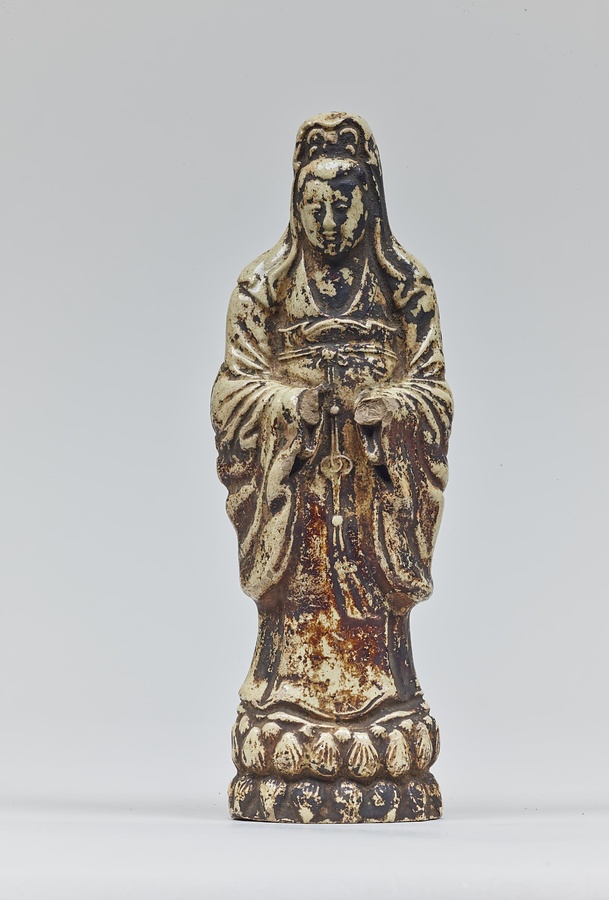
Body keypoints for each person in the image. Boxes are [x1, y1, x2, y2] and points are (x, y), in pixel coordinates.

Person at [211, 112, 452, 822]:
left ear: (371, 202)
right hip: (300, 490)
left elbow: (434, 392)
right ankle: (284, 708)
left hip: (373, 491)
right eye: (314, 205)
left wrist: (391, 411)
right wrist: (290, 408)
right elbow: (233, 392)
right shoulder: (262, 285)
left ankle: (383, 708)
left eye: (344, 203)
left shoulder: (406, 288)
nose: (329, 222)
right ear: (295, 203)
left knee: (377, 654)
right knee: (299, 612)